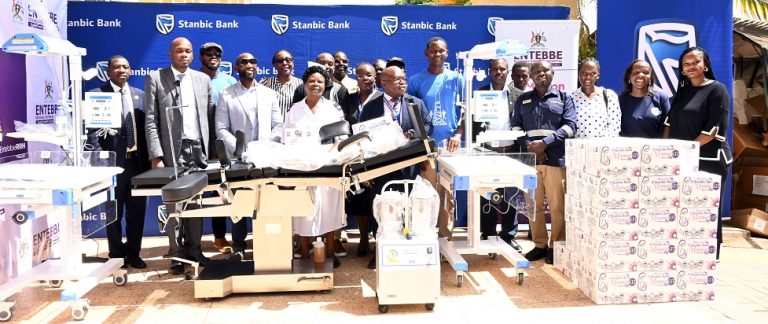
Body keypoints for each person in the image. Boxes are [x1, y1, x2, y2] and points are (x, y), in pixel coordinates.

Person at [145, 37, 214, 274]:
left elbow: (210, 117)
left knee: (195, 202)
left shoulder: (203, 79)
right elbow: (151, 119)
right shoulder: (156, 78)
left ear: (192, 55)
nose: (184, 55)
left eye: (188, 51)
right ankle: (176, 254)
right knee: (173, 203)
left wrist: (211, 152)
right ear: (170, 54)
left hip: (197, 149)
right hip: (172, 150)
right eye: (179, 51)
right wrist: (156, 154)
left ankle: (194, 250)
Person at [663, 46, 733, 259]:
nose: (691, 67)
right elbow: (669, 122)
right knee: (684, 210)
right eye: (686, 64)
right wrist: (664, 150)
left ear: (705, 65)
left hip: (709, 162)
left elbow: (713, 130)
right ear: (682, 69)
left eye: (695, 63)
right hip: (684, 160)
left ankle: (711, 256)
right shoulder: (682, 91)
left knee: (707, 210)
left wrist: (687, 150)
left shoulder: (717, 89)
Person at [360, 65, 432, 268]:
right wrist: (365, 170)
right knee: (382, 208)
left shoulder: (414, 102)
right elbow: (363, 138)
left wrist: (413, 133)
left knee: (408, 208)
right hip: (381, 167)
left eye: (404, 79)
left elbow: (427, 126)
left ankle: (406, 250)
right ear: (384, 83)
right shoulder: (371, 106)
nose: (403, 83)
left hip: (408, 167)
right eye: (397, 79)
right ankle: (380, 250)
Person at [215, 53, 283, 260]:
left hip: (265, 157)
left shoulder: (269, 94)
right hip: (239, 158)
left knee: (267, 201)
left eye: (253, 61)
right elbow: (221, 128)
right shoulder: (227, 95)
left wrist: (264, 146)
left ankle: (267, 244)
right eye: (244, 62)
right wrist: (241, 149)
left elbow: (278, 125)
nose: (249, 65)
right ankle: (239, 247)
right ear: (236, 68)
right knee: (240, 204)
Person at [86, 55, 149, 269]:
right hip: (111, 166)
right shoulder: (97, 95)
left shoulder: (140, 96)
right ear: (109, 70)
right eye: (116, 67)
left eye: (125, 66)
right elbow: (92, 133)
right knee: (113, 213)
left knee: (137, 212)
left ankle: (134, 253)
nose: (121, 70)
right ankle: (116, 255)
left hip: (137, 164)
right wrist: (101, 161)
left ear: (130, 70)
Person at [510, 60, 577, 264]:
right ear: (531, 75)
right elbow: (515, 128)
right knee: (533, 206)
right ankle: (539, 244)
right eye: (537, 71)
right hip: (531, 160)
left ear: (553, 73)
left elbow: (570, 126)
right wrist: (532, 147)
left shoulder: (564, 98)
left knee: (557, 206)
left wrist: (545, 144)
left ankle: (556, 245)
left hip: (555, 160)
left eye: (545, 70)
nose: (541, 73)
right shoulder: (523, 100)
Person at [286, 65, 346, 268]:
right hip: (302, 167)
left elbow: (342, 137)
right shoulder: (295, 109)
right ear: (304, 84)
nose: (316, 85)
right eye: (312, 81)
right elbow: (288, 138)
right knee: (304, 212)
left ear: (325, 85)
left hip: (328, 167)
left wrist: (334, 152)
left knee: (329, 211)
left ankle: (329, 253)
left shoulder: (333, 108)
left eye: (320, 81)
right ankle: (303, 255)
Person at [407, 37, 465, 239]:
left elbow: (467, 111)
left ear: (447, 53)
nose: (437, 54)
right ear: (426, 53)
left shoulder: (457, 79)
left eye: (441, 51)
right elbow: (410, 115)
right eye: (433, 51)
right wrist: (419, 149)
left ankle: (445, 240)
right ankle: (426, 239)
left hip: (451, 148)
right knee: (427, 195)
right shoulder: (415, 81)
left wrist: (458, 134)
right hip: (427, 149)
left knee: (448, 196)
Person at [473, 58, 523, 251]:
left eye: (502, 69)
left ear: (508, 71)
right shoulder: (480, 94)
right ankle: (488, 233)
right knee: (487, 194)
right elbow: (472, 125)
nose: (499, 72)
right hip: (486, 153)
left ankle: (509, 235)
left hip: (510, 152)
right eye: (495, 69)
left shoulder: (518, 95)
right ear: (489, 72)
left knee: (511, 195)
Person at [199, 42, 237, 253]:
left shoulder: (229, 81)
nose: (213, 56)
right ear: (201, 56)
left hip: (226, 144)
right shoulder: (194, 79)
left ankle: (237, 236)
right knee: (212, 192)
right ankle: (219, 236)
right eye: (209, 53)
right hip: (203, 145)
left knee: (230, 189)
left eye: (217, 54)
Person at [342, 62, 381, 259]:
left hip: (376, 155)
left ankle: (378, 241)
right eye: (360, 75)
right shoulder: (348, 99)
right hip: (354, 155)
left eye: (368, 75)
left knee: (375, 199)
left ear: (376, 77)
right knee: (359, 199)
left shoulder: (383, 99)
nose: (364, 79)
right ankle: (364, 238)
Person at [618, 59, 671, 138]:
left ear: (650, 77)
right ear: (629, 76)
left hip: (655, 149)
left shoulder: (661, 98)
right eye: (636, 72)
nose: (640, 75)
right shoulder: (619, 101)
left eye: (645, 72)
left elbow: (668, 126)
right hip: (627, 149)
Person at [571, 57, 621, 138]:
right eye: (584, 73)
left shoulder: (609, 96)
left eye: (592, 74)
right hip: (578, 148)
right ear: (579, 74)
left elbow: (614, 126)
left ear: (598, 75)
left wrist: (597, 146)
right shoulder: (571, 97)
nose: (588, 77)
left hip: (603, 148)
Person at [260, 49, 303, 118]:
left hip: (294, 128)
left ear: (293, 62)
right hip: (271, 128)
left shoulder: (302, 85)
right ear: (274, 64)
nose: (284, 63)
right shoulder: (265, 83)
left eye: (288, 60)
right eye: (280, 61)